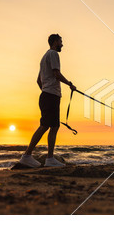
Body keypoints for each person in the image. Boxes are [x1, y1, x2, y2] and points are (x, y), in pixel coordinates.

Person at [19, 34, 76, 168]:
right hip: (50, 96)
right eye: (61, 41)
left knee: (53, 126)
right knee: (45, 126)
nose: (62, 44)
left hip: (47, 95)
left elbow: (38, 80)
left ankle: (48, 157)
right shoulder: (53, 54)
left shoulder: (44, 57)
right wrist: (69, 84)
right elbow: (56, 73)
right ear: (55, 41)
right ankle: (28, 156)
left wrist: (46, 90)